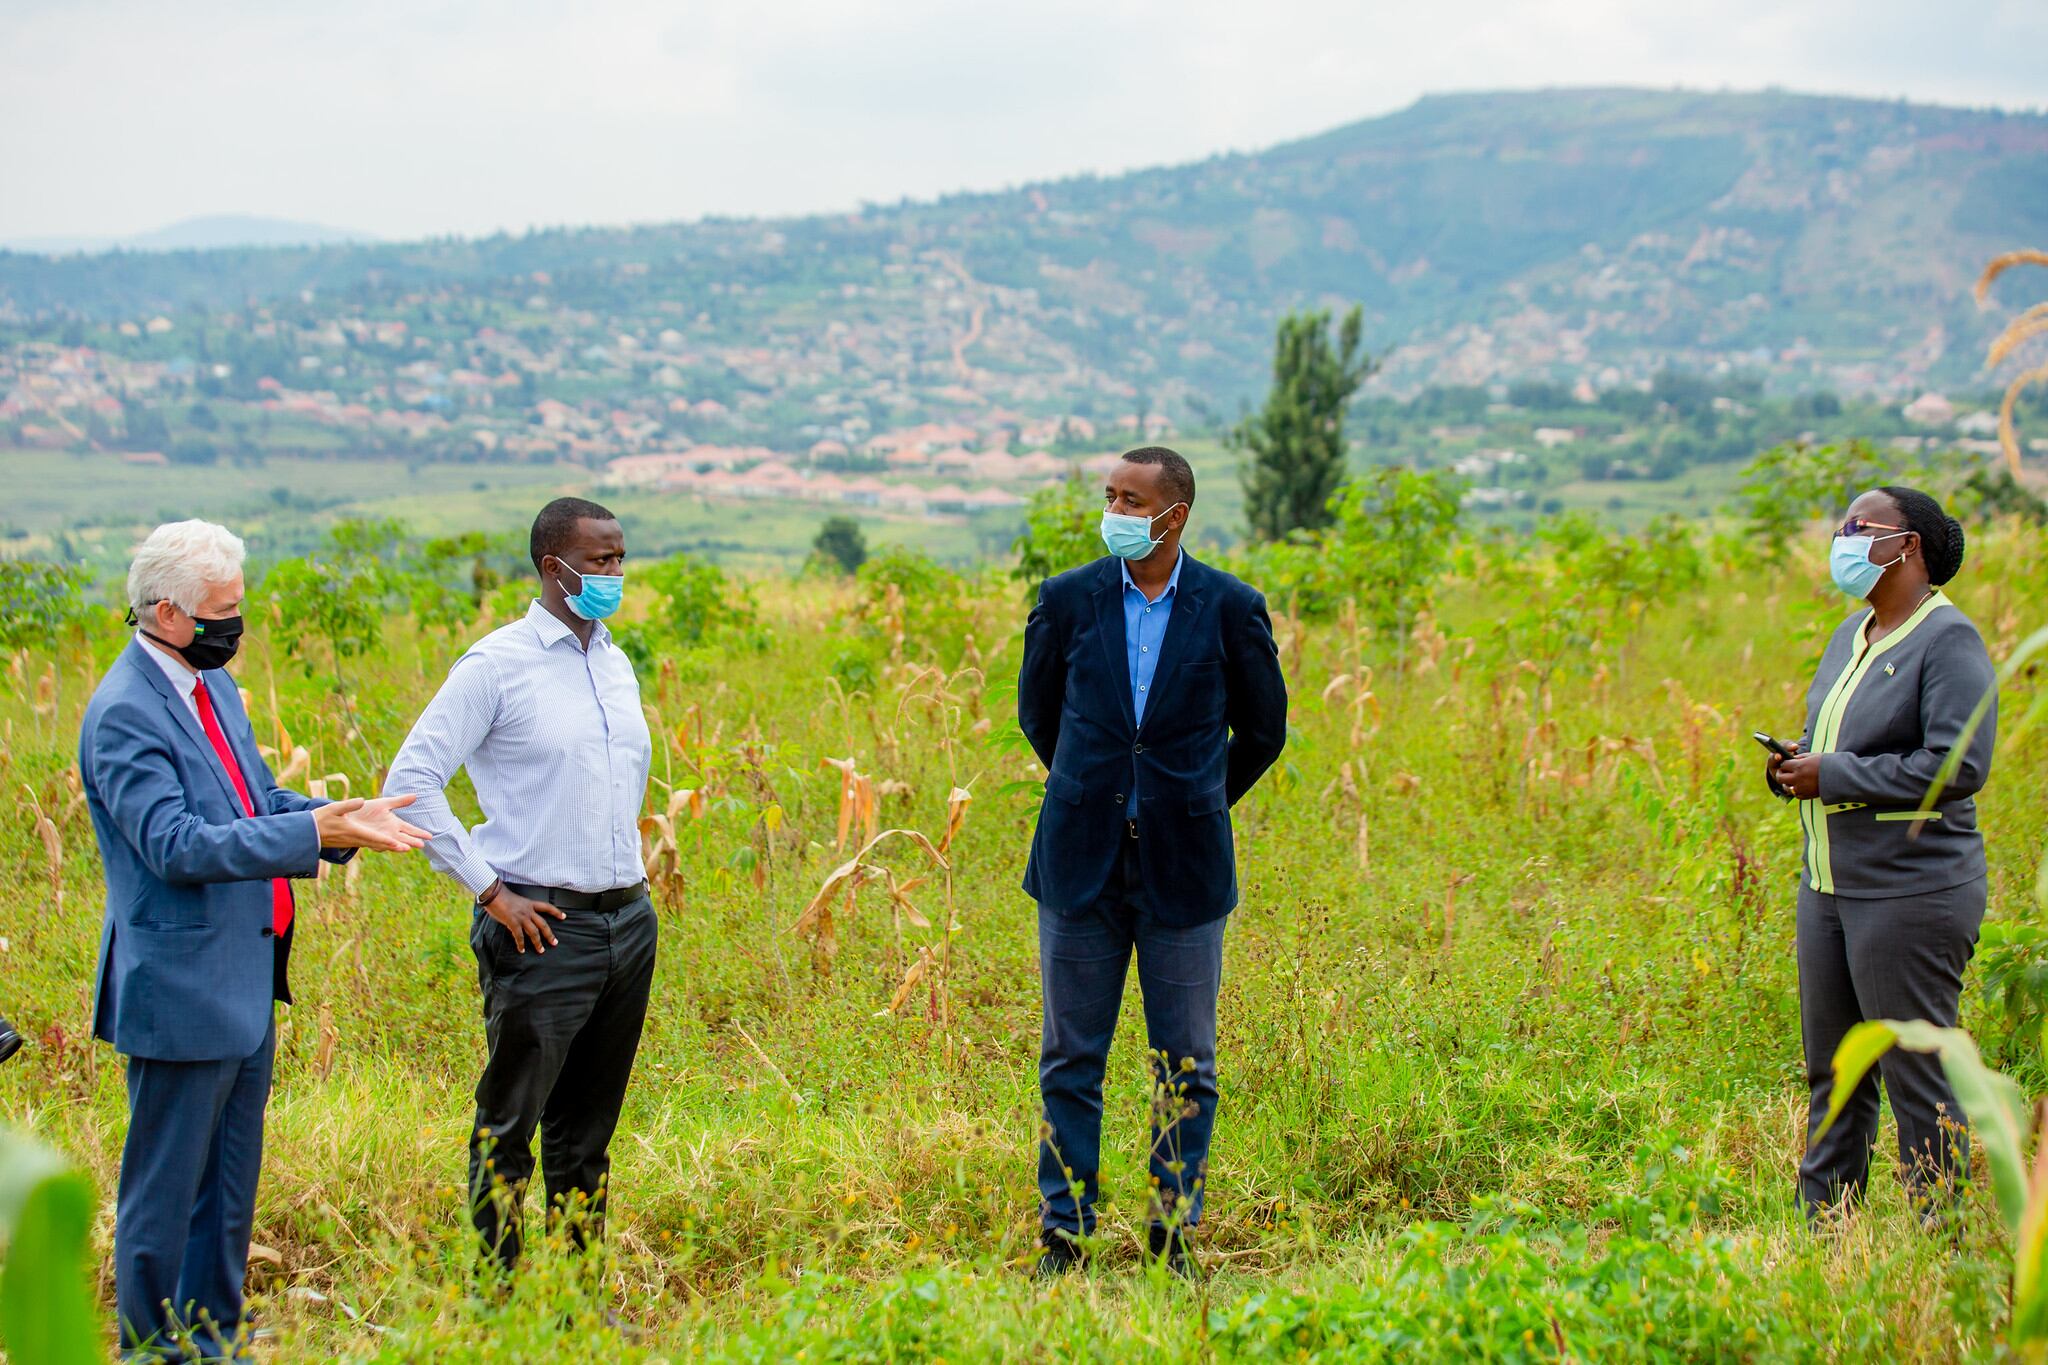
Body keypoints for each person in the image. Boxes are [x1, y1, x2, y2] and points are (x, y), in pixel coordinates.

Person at [81, 519, 428, 1362]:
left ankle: (214, 1340)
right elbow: (177, 844)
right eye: (221, 612)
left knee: (228, 1190)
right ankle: (153, 1347)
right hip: (179, 985)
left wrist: (332, 821)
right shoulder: (125, 712)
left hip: (241, 978)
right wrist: (307, 838)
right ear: (166, 612)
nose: (235, 627)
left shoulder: (212, 690)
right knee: (166, 1194)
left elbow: (248, 799)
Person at [1016, 446, 1288, 1275]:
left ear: (1174, 515)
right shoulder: (1066, 602)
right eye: (1110, 497)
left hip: (1185, 869)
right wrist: (1098, 794)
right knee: (1070, 1058)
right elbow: (1039, 719)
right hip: (1079, 866)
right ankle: (1065, 1235)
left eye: (1131, 501)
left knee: (1186, 1064)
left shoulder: (1230, 608)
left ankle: (1172, 1235)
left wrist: (1192, 800)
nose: (1116, 513)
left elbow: (1264, 731)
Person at [383, 496, 657, 1272]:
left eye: (620, 558)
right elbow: (413, 781)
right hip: (538, 923)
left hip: (625, 923)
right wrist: (489, 890)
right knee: (512, 1124)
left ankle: (576, 1299)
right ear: (552, 566)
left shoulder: (614, 659)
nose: (615, 573)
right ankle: (496, 1303)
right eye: (600, 560)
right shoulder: (496, 665)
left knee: (589, 1128)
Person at [1768, 486, 1997, 1218]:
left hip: (1910, 894)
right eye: (1841, 524)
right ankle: (1826, 1231)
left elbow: (1956, 764)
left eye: (1860, 527)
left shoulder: (1947, 640)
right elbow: (1845, 744)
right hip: (1830, 889)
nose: (1844, 537)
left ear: (1911, 546)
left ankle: (1944, 1238)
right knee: (1834, 1073)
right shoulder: (1850, 634)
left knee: (1915, 1072)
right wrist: (1797, 764)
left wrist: (1831, 774)